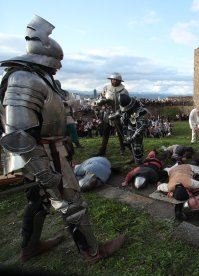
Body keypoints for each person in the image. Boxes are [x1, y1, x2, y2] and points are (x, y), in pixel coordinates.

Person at [0, 15, 124, 262]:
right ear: (45, 56)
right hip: (44, 155)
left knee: (40, 200)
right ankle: (93, 251)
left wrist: (100, 103)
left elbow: (64, 105)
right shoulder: (25, 79)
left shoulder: (43, 79)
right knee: (72, 204)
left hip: (53, 150)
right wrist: (42, 170)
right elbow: (17, 135)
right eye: (58, 61)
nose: (59, 66)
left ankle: (30, 247)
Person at [94, 72, 128, 156]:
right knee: (105, 132)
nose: (114, 81)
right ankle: (102, 150)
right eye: (113, 80)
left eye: (116, 80)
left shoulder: (124, 91)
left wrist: (120, 112)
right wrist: (102, 101)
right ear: (111, 80)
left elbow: (125, 103)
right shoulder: (106, 88)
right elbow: (100, 98)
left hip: (118, 113)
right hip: (107, 112)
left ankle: (122, 148)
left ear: (120, 81)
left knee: (120, 133)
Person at [111, 93, 149, 164]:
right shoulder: (125, 110)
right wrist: (113, 116)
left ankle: (139, 162)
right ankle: (134, 157)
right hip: (130, 128)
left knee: (137, 147)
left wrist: (131, 139)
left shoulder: (141, 111)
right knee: (131, 146)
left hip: (137, 130)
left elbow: (141, 128)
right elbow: (119, 112)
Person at [56, 80, 83, 148]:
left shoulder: (66, 93)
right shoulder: (52, 93)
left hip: (67, 114)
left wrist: (65, 103)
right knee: (61, 132)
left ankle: (77, 143)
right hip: (57, 115)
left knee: (72, 128)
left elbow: (72, 100)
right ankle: (64, 145)